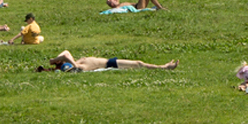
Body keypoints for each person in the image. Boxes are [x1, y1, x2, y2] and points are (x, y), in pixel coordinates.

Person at [37, 50, 178, 72]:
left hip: (109, 62)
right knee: (138, 63)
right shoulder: (77, 66)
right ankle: (164, 67)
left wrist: (54, 61)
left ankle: (164, 67)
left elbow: (66, 54)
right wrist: (54, 61)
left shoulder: (77, 62)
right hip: (109, 64)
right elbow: (66, 54)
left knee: (138, 63)